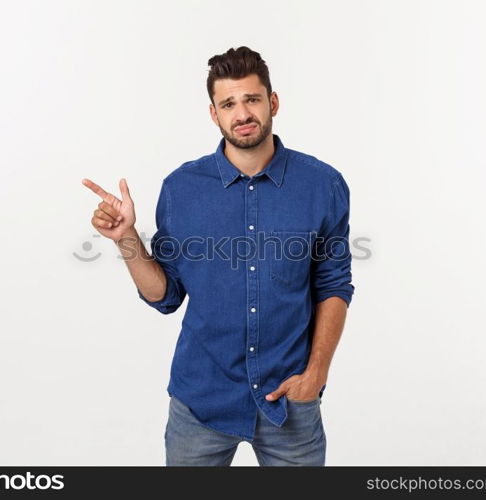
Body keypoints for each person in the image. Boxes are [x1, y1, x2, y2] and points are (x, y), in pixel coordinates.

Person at [82, 46, 354, 466]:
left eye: (252, 99)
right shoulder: (181, 189)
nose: (242, 113)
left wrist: (316, 374)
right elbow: (165, 296)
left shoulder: (322, 185)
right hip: (201, 402)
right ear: (214, 114)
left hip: (289, 401)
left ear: (273, 102)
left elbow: (333, 285)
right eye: (229, 103)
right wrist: (126, 238)